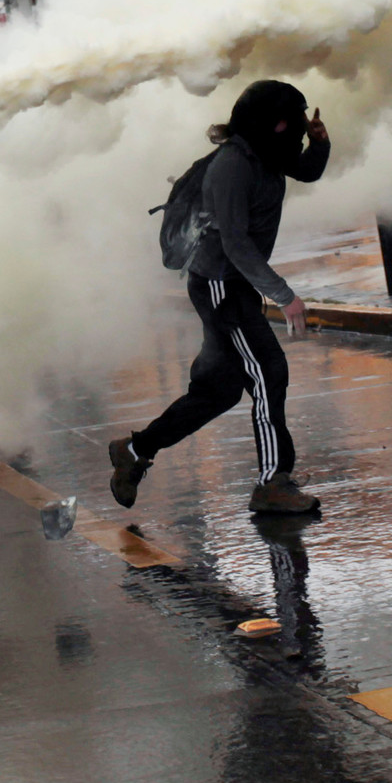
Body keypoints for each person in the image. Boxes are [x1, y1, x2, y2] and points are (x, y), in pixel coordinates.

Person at [110, 80, 330, 515]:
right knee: (268, 373)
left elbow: (305, 169)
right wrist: (285, 298)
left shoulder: (268, 152)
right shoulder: (233, 166)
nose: (300, 129)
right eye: (295, 121)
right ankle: (273, 481)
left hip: (233, 284)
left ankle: (134, 452)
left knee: (220, 390)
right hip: (220, 285)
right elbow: (235, 243)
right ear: (272, 124)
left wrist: (320, 144)